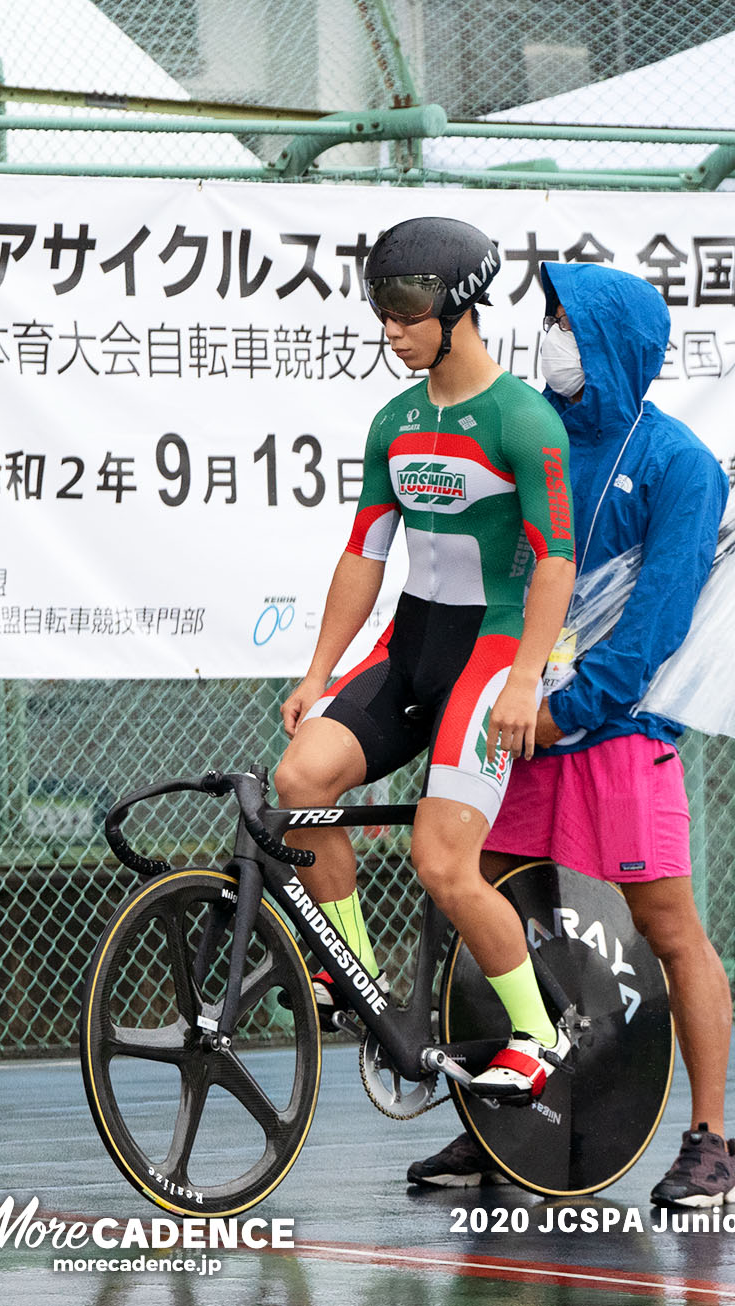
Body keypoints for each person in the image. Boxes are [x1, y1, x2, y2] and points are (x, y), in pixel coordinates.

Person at [406, 261, 735, 1209]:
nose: (548, 336)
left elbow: (658, 623)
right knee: (494, 912)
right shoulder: (537, 442)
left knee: (669, 928)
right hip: (517, 722)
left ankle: (714, 1142)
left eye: (564, 321)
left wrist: (565, 709)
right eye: (547, 318)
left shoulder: (681, 465)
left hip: (616, 733)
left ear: (612, 343)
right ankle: (492, 1128)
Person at [276, 216, 577, 1102]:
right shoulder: (395, 421)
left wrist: (525, 679)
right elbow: (365, 553)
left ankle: (538, 1028)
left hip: (489, 651)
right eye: (381, 309)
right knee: (299, 782)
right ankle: (357, 980)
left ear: (460, 308)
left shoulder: (524, 419)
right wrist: (319, 674)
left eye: (406, 309)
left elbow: (556, 559)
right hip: (412, 644)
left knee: (442, 861)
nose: (390, 329)